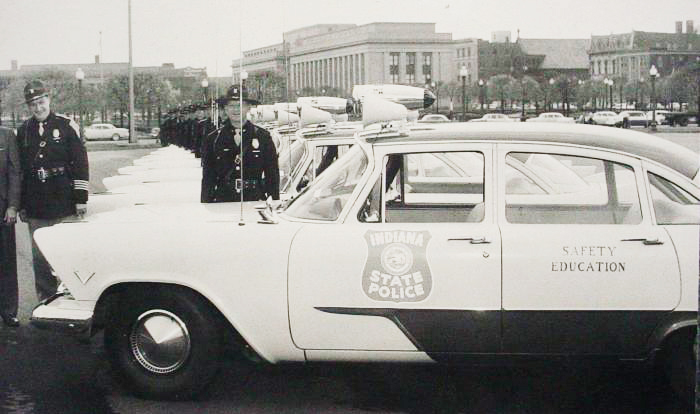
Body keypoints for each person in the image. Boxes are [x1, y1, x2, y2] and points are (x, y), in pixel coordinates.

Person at [16, 80, 89, 302]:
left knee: (69, 255)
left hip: (64, 200)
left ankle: (77, 299)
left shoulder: (67, 125)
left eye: (41, 101)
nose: (38, 108)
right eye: (33, 104)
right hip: (37, 203)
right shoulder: (24, 131)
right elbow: (21, 171)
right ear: (28, 107)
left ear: (49, 100)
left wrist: (81, 198)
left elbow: (80, 163)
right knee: (40, 258)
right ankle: (46, 300)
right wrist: (21, 204)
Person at [202, 86, 279, 203]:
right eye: (231, 106)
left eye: (240, 105)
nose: (236, 110)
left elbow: (272, 174)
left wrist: (274, 201)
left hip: (255, 200)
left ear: (248, 108)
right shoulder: (214, 139)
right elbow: (208, 178)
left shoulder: (263, 137)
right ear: (226, 109)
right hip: (224, 201)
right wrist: (206, 205)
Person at [0, 126, 20, 327]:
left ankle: (8, 310)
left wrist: (13, 206)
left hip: (3, 209)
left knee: (6, 261)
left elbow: (15, 172)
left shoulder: (6, 136)